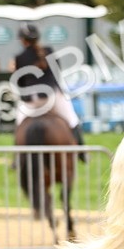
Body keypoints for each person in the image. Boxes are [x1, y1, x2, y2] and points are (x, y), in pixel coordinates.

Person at [12, 23, 87, 159]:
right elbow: (57, 73)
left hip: (32, 100)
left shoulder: (20, 57)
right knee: (72, 119)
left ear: (23, 40)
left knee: (19, 124)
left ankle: (17, 158)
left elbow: (20, 82)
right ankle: (82, 153)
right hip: (51, 96)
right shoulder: (49, 50)